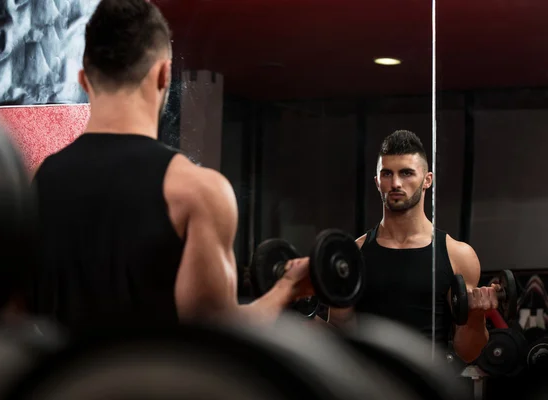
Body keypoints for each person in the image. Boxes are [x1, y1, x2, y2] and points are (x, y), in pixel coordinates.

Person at [30, 0, 313, 331]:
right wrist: (287, 288)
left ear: (84, 80)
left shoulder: (38, 181)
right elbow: (217, 332)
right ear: (164, 73)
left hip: (60, 383)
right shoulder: (197, 191)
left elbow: (16, 316)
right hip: (151, 384)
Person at [327, 130, 496, 363]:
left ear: (427, 180)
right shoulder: (354, 254)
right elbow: (338, 337)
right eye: (387, 174)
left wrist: (477, 318)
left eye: (406, 173)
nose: (396, 183)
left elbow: (467, 352)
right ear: (377, 182)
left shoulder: (458, 255)